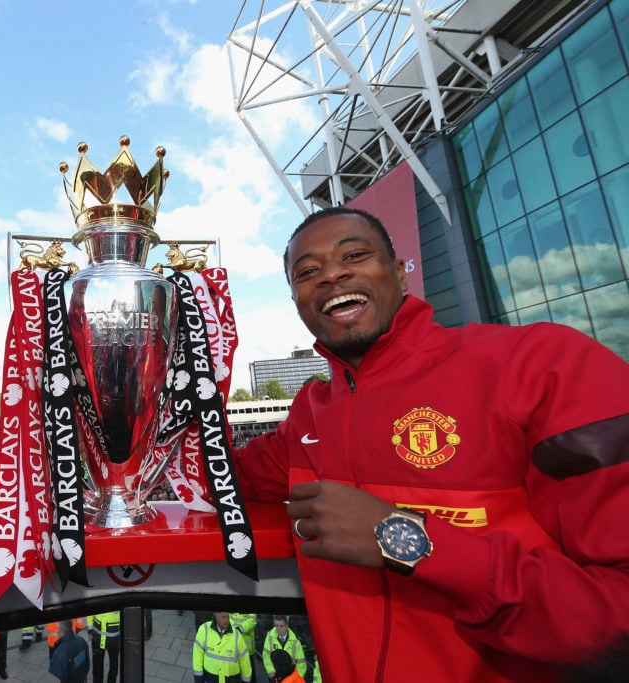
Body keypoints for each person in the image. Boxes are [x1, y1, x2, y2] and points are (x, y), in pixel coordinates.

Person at [234, 206, 629, 681]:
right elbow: (216, 469)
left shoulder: (539, 365)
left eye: (354, 254)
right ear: (297, 300)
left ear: (401, 276)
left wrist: (403, 541)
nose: (332, 275)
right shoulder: (307, 414)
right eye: (308, 272)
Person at [192, 611, 252, 683]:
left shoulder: (237, 635)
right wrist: (198, 677)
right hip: (210, 679)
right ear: (216, 615)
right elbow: (197, 655)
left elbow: (245, 661)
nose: (226, 620)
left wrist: (246, 680)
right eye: (223, 617)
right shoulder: (204, 630)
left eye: (228, 617)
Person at [262, 616, 318, 683]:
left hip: (291, 679)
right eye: (276, 625)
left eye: (281, 626)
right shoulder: (270, 637)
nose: (278, 628)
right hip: (275, 677)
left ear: (286, 626)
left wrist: (295, 680)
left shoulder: (295, 642)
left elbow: (301, 664)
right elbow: (266, 656)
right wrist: (272, 674)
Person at [88, 611, 121, 683]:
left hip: (114, 640)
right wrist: (90, 630)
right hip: (97, 637)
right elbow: (90, 611)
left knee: (114, 666)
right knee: (97, 666)